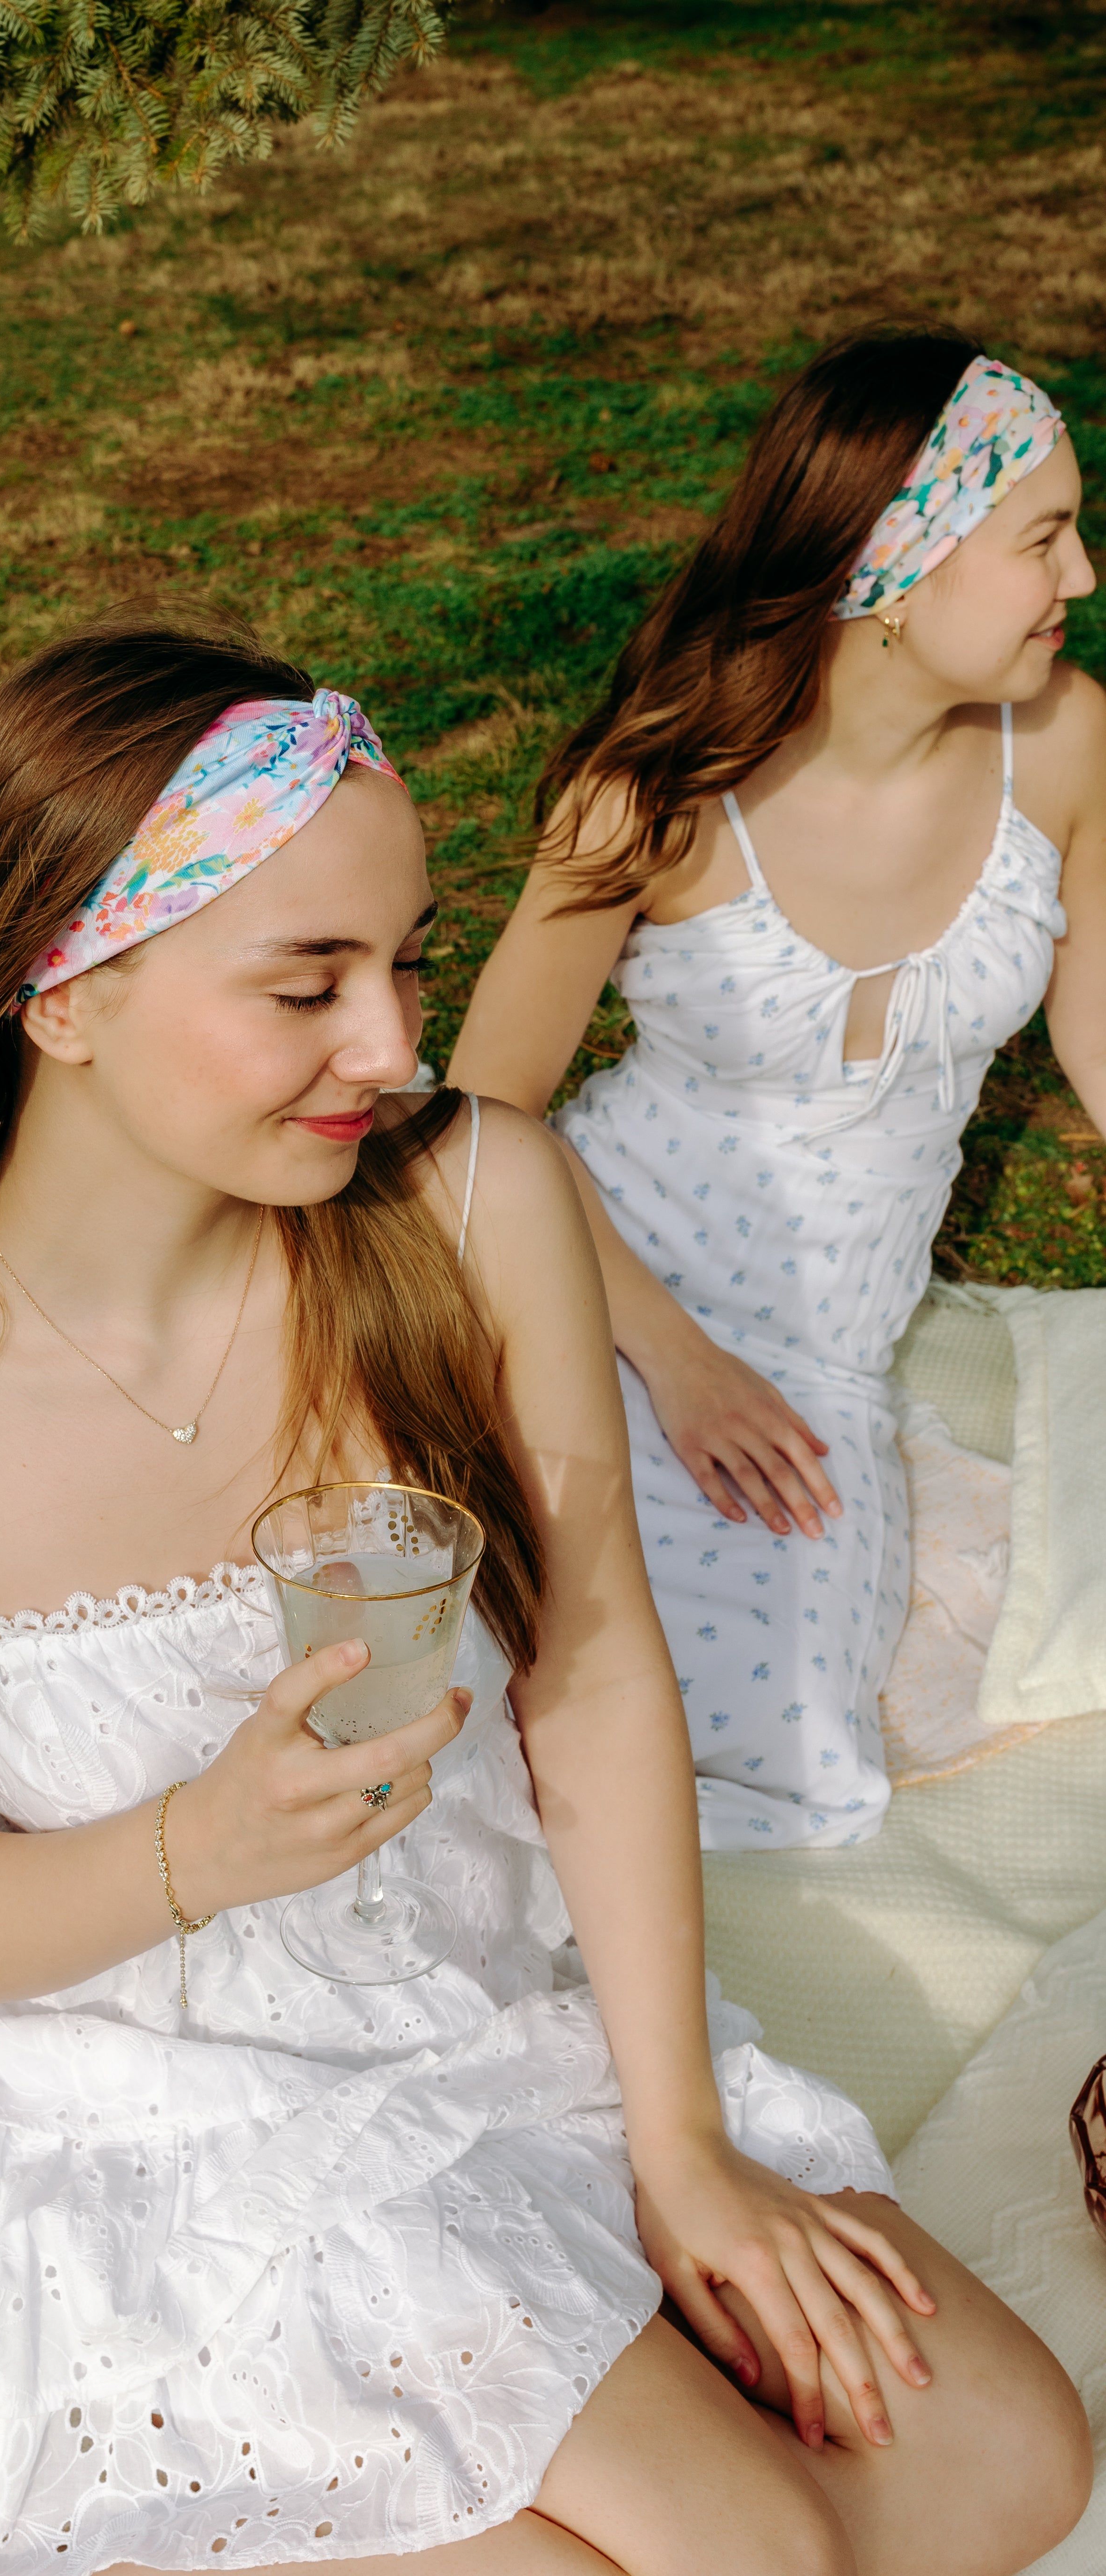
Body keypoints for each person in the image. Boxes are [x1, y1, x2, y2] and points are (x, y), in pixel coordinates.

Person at [0, 617, 1088, 2576]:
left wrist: (680, 2145)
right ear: (63, 994)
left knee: (1004, 2463)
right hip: (132, 2093)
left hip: (471, 2015)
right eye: (306, 986)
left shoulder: (468, 1212)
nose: (400, 1048)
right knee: (752, 2554)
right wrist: (194, 1846)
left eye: (411, 957)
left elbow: (591, 1678)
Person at [451, 328, 1106, 1851]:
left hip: (819, 1361)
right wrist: (676, 1367)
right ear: (893, 560)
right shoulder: (659, 789)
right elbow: (486, 1112)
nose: (1079, 578)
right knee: (487, 1676)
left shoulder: (1067, 742)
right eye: (1043, 538)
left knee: (777, 1741)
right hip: (576, 1290)